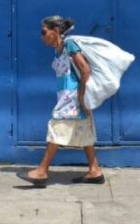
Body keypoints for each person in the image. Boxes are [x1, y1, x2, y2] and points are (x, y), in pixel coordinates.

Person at [21, 15, 104, 187]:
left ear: (56, 31)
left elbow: (85, 70)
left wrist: (81, 97)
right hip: (68, 96)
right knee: (84, 132)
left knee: (56, 127)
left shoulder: (69, 45)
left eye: (44, 32)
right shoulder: (59, 50)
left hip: (72, 97)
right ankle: (94, 171)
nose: (42, 36)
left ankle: (42, 171)